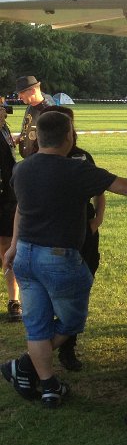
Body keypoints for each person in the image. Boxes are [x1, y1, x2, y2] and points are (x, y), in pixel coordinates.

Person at [0, 111, 127, 408]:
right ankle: (27, 366)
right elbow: (125, 187)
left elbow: (21, 209)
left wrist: (13, 246)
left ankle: (47, 385)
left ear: (39, 137)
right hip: (58, 258)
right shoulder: (76, 169)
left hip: (25, 254)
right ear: (69, 135)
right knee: (72, 319)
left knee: (36, 326)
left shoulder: (22, 169)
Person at [42, 105, 106, 372]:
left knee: (82, 285)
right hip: (54, 237)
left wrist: (97, 220)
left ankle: (68, 347)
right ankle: (44, 346)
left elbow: (100, 190)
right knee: (52, 293)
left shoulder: (82, 157)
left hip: (84, 232)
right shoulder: (40, 159)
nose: (71, 131)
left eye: (71, 124)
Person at [0, 103, 21, 322]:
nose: (4, 111)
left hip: (8, 196)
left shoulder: (4, 128)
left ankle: (14, 300)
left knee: (8, 247)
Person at [13, 74, 51, 158]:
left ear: (33, 91)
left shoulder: (48, 112)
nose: (19, 97)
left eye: (22, 92)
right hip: (30, 160)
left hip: (40, 162)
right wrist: (20, 138)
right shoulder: (30, 107)